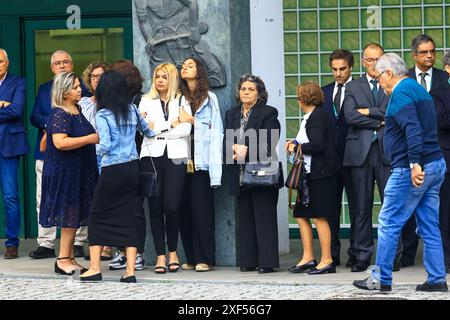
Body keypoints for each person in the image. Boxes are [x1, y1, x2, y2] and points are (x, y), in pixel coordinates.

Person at [354, 53, 448, 292]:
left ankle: (381, 279)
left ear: (388, 73)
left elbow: (412, 129)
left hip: (411, 169)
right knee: (429, 225)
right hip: (435, 163)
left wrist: (415, 164)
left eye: (379, 77)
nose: (380, 84)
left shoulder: (401, 92)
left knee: (388, 222)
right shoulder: (417, 89)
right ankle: (437, 279)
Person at [80, 70, 154, 283]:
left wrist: (88, 144)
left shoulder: (102, 114)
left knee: (96, 215)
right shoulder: (132, 109)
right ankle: (130, 271)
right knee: (128, 215)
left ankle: (94, 268)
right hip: (132, 169)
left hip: (112, 170)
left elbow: (105, 145)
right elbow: (148, 132)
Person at [29, 50, 90, 259]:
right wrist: (53, 125)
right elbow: (34, 115)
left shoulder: (82, 89)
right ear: (52, 67)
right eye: (57, 63)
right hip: (50, 153)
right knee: (45, 198)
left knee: (76, 200)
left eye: (65, 62)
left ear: (72, 65)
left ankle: (78, 243)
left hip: (76, 158)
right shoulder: (44, 89)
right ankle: (46, 243)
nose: (62, 66)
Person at [39, 72, 99, 275]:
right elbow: (59, 142)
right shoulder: (60, 113)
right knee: (68, 215)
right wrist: (90, 139)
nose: (79, 89)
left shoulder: (77, 109)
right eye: (74, 87)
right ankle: (62, 258)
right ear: (64, 92)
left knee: (74, 215)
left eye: (79, 86)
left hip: (79, 172)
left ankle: (69, 257)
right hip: (65, 173)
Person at [342, 43, 395, 272]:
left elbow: (392, 113)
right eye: (371, 60)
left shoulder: (391, 84)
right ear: (363, 62)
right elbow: (350, 116)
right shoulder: (353, 86)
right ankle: (362, 255)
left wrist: (368, 111)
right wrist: (378, 120)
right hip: (360, 153)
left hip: (386, 151)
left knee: (390, 205)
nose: (375, 64)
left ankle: (390, 256)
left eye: (379, 59)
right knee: (361, 207)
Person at [400, 34, 450, 268]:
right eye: (425, 52)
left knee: (442, 208)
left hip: (440, 150)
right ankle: (407, 255)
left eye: (433, 51)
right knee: (407, 207)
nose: (430, 56)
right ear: (414, 55)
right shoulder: (404, 79)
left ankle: (445, 259)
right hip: (409, 150)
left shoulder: (444, 78)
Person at [224, 74, 281, 274]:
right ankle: (248, 261)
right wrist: (233, 148)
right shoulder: (231, 113)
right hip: (238, 172)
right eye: (243, 89)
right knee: (245, 218)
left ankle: (266, 262)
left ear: (259, 93)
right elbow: (226, 140)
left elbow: (271, 140)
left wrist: (245, 149)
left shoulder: (268, 112)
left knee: (264, 218)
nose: (246, 92)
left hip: (262, 173)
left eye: (251, 89)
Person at [139, 63, 192, 273]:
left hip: (176, 157)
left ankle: (173, 251)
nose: (159, 80)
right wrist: (173, 123)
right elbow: (146, 131)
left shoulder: (182, 100)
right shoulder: (145, 100)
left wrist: (161, 128)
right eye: (157, 76)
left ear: (172, 79)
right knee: (154, 206)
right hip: (151, 155)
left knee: (171, 206)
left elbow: (187, 128)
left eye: (164, 77)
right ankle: (161, 256)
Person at [285, 81, 339, 275]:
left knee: (319, 217)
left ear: (303, 98)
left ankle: (327, 260)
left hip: (321, 174)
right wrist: (295, 142)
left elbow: (317, 145)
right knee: (301, 215)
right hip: (309, 175)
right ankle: (308, 257)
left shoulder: (317, 117)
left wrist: (295, 147)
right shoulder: (310, 117)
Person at [178, 57, 223, 272]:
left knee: (202, 210)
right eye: (183, 65)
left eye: (190, 65)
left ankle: (206, 258)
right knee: (183, 209)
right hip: (179, 160)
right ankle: (191, 257)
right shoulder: (177, 98)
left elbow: (217, 132)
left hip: (202, 162)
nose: (184, 68)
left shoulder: (210, 98)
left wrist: (192, 121)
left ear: (199, 71)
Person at [107, 59, 147, 271]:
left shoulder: (139, 101)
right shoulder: (112, 103)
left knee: (135, 209)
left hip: (135, 161)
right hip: (116, 163)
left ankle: (137, 253)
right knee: (118, 208)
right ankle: (121, 251)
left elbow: (143, 132)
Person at [321, 49, 356, 267]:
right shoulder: (323, 92)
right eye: (334, 69)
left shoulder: (360, 89)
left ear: (350, 67)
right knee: (330, 209)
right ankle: (331, 255)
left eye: (342, 69)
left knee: (356, 208)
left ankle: (355, 254)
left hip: (354, 158)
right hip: (329, 160)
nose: (338, 73)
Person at [79, 61, 113, 261]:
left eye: (101, 76)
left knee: (106, 201)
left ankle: (107, 245)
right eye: (93, 76)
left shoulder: (114, 104)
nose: (97, 79)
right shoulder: (83, 103)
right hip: (87, 157)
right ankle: (95, 245)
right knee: (92, 203)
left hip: (107, 158)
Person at [0, 48, 29, 259]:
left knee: (10, 196)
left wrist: (8, 107)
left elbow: (16, 110)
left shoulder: (18, 83)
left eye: (0, 61)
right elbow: (7, 111)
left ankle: (12, 243)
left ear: (7, 63)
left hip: (8, 148)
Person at [430, 51, 450, 274]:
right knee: (446, 214)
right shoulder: (438, 93)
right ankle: (447, 260)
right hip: (448, 160)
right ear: (447, 69)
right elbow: (442, 121)